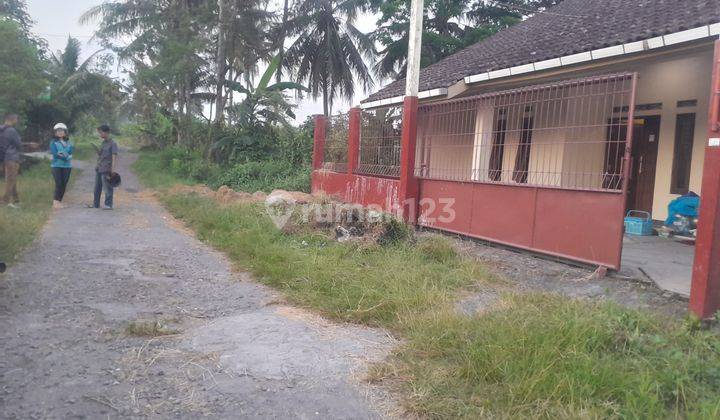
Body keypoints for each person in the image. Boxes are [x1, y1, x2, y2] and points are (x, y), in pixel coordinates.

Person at [93, 124, 118, 210]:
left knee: (107, 187)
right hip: (99, 168)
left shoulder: (113, 144)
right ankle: (95, 204)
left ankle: (108, 204)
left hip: (107, 169)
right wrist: (96, 149)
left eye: (101, 132)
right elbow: (100, 155)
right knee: (97, 187)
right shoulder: (103, 143)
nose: (100, 134)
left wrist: (113, 170)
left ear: (106, 132)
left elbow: (114, 157)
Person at [49, 123, 74, 209]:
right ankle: (55, 202)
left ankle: (59, 201)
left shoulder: (68, 142)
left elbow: (71, 151)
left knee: (64, 183)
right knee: (59, 183)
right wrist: (65, 156)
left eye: (61, 131)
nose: (60, 132)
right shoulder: (53, 142)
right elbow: (55, 154)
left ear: (65, 132)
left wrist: (63, 154)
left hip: (67, 166)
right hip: (56, 165)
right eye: (58, 131)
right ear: (55, 133)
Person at [0, 114, 22, 208]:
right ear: (12, 119)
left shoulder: (1, 130)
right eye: (16, 119)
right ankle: (4, 202)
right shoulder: (12, 130)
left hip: (4, 157)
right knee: (10, 180)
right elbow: (18, 144)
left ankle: (16, 200)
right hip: (12, 158)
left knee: (12, 179)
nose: (17, 121)